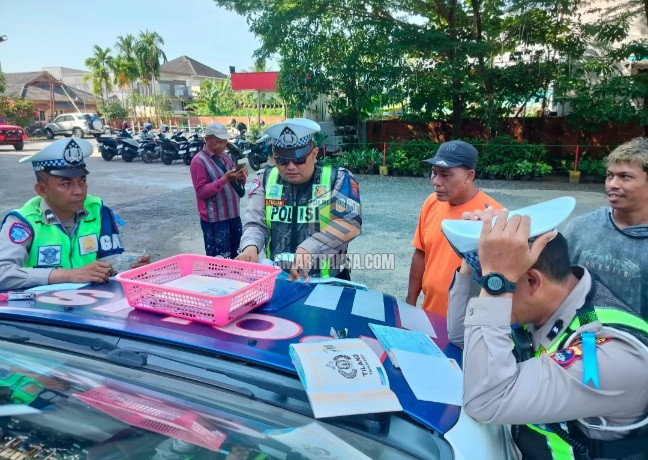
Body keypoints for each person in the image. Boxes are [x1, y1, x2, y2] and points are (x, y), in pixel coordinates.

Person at [448, 208, 648, 460]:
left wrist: (497, 284)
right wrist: (473, 254)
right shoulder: (553, 303)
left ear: (533, 281)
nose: (488, 292)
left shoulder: (607, 354)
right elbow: (461, 336)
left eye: (490, 281)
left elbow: (485, 400)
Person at [0, 137, 150, 291]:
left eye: (82, 181)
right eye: (66, 184)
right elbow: (3, 273)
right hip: (42, 304)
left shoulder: (97, 210)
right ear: (42, 190)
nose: (79, 191)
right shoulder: (23, 221)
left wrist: (131, 266)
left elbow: (111, 261)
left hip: (94, 302)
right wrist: (68, 275)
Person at [236, 118, 361, 281]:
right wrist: (250, 246)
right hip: (280, 278)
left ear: (314, 154)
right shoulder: (265, 179)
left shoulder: (337, 178)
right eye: (282, 160)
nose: (291, 167)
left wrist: (310, 248)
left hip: (329, 280)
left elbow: (349, 223)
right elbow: (256, 223)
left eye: (299, 159)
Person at [406, 140, 501, 315]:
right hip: (429, 313)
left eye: (445, 175)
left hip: (469, 320)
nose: (436, 182)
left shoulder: (492, 216)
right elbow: (421, 253)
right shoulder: (431, 203)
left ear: (469, 176)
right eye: (434, 173)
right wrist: (410, 302)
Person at [564, 137, 648, 319]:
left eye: (625, 177)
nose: (612, 184)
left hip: (637, 336)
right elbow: (561, 288)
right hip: (583, 333)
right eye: (610, 175)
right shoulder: (580, 229)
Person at [190, 122, 247, 258]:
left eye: (224, 142)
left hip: (233, 215)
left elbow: (236, 182)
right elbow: (201, 192)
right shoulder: (199, 161)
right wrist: (224, 179)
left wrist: (241, 176)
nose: (221, 146)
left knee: (237, 257)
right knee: (220, 261)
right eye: (217, 142)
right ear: (207, 139)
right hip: (215, 221)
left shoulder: (225, 156)